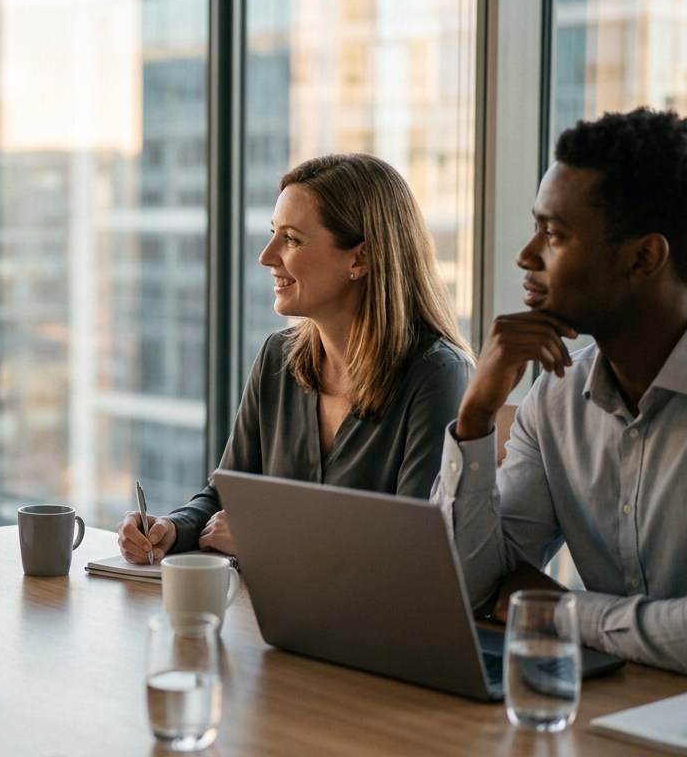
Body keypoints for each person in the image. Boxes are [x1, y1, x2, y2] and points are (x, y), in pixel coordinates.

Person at [433, 108, 687, 679]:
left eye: (554, 233)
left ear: (643, 257)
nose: (526, 255)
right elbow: (470, 590)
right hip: (614, 713)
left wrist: (559, 610)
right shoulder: (556, 398)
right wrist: (474, 419)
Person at [118, 154, 474, 564]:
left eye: (291, 239)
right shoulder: (277, 357)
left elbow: (412, 549)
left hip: (369, 626)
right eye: (274, 234)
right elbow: (226, 496)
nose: (267, 256)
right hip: (261, 616)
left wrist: (269, 539)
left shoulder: (438, 375)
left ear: (360, 258)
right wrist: (173, 529)